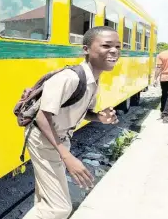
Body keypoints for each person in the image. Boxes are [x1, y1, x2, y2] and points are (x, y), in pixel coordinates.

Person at [23, 26, 120, 219]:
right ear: (86, 49)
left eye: (118, 46)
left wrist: (98, 116)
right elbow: (43, 117)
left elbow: (83, 112)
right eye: (106, 45)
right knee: (59, 208)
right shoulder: (69, 78)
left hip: (59, 139)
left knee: (47, 201)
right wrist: (67, 157)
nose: (114, 51)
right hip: (43, 140)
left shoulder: (93, 79)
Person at [154, 49, 168, 122]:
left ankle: (162, 111)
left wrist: (155, 79)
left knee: (164, 94)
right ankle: (166, 115)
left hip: (164, 78)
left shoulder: (161, 54)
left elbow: (158, 68)